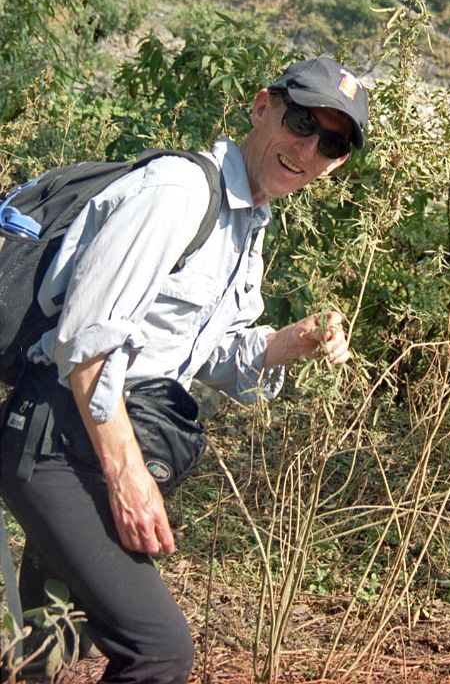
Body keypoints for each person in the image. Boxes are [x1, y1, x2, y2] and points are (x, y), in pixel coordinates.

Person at [0, 56, 369, 683]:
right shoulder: (178, 193)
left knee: (43, 650)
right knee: (159, 650)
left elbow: (205, 353)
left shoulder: (246, 225)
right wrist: (128, 477)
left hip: (88, 444)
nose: (307, 148)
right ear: (262, 107)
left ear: (336, 163)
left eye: (330, 142)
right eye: (301, 121)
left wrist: (293, 340)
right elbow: (87, 342)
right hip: (58, 441)